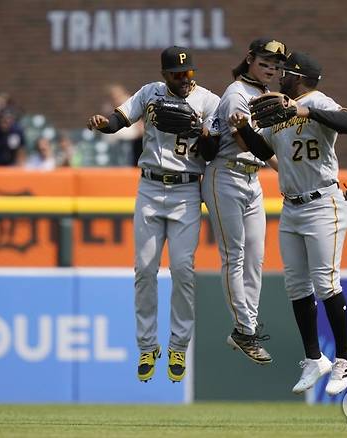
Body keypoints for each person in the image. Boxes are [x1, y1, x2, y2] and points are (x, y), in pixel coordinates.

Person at [87, 46, 220, 383]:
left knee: (182, 270)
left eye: (188, 72)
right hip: (149, 187)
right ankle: (147, 345)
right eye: (177, 74)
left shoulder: (208, 101)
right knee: (145, 269)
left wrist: (199, 131)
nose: (184, 79)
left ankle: (178, 344)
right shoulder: (150, 92)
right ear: (164, 75)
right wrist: (105, 125)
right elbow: (121, 118)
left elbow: (214, 151)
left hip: (186, 189)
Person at [230, 52, 347, 395]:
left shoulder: (315, 100)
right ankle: (314, 358)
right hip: (291, 205)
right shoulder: (278, 107)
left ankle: (345, 358)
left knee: (326, 282)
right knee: (296, 285)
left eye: (285, 72)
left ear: (298, 77)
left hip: (323, 201)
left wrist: (304, 109)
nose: (279, 77)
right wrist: (244, 129)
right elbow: (262, 150)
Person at [200, 37, 287, 365]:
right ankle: (245, 329)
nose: (270, 68)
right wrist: (286, 171)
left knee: (257, 257)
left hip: (251, 178)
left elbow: (264, 150)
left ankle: (245, 326)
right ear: (249, 59)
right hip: (226, 175)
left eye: (275, 65)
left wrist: (284, 170)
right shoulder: (237, 92)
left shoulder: (265, 94)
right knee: (234, 255)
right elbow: (245, 140)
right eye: (265, 62)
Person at [102, 84, 145, 166]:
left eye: (118, 96)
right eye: (113, 97)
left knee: (127, 161)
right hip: (114, 143)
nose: (116, 99)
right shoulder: (108, 109)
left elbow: (140, 126)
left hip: (130, 141)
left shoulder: (131, 106)